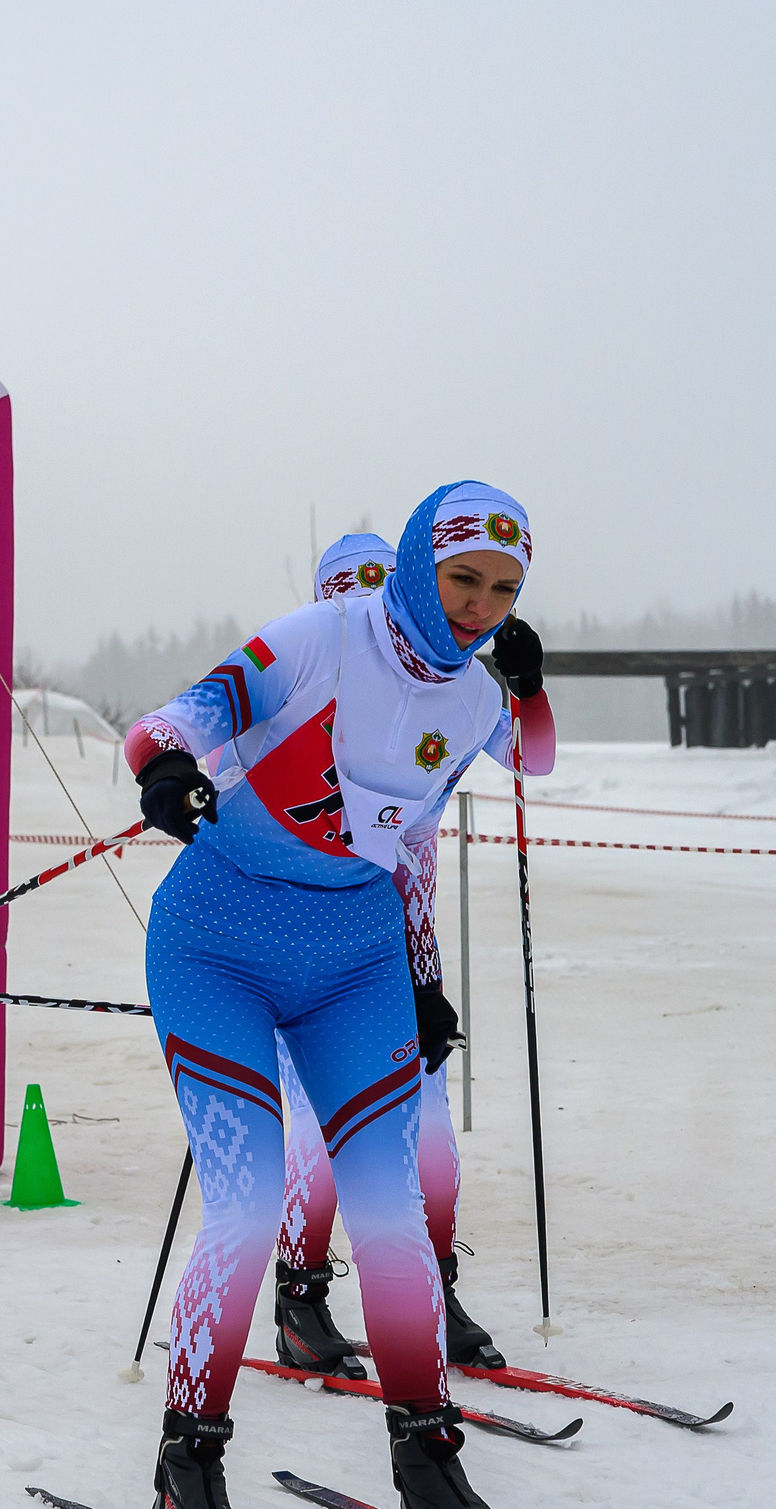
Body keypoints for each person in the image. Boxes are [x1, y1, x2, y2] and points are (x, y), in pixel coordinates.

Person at [126, 482, 552, 1509]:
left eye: (502, 590)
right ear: (418, 564)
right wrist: (167, 771)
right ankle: (189, 1462)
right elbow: (175, 717)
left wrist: (417, 977)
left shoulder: (468, 706)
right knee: (249, 1200)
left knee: (389, 1207)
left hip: (355, 960)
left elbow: (408, 844)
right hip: (217, 944)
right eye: (463, 579)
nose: (477, 608)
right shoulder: (323, 637)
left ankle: (425, 1457)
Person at [267, 534, 507, 1381]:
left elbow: (525, 753)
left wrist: (524, 684)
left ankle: (433, 1292)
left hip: (411, 967)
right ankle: (299, 1296)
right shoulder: (296, 691)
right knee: (325, 1147)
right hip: (306, 964)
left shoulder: (428, 709)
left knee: (432, 1140)